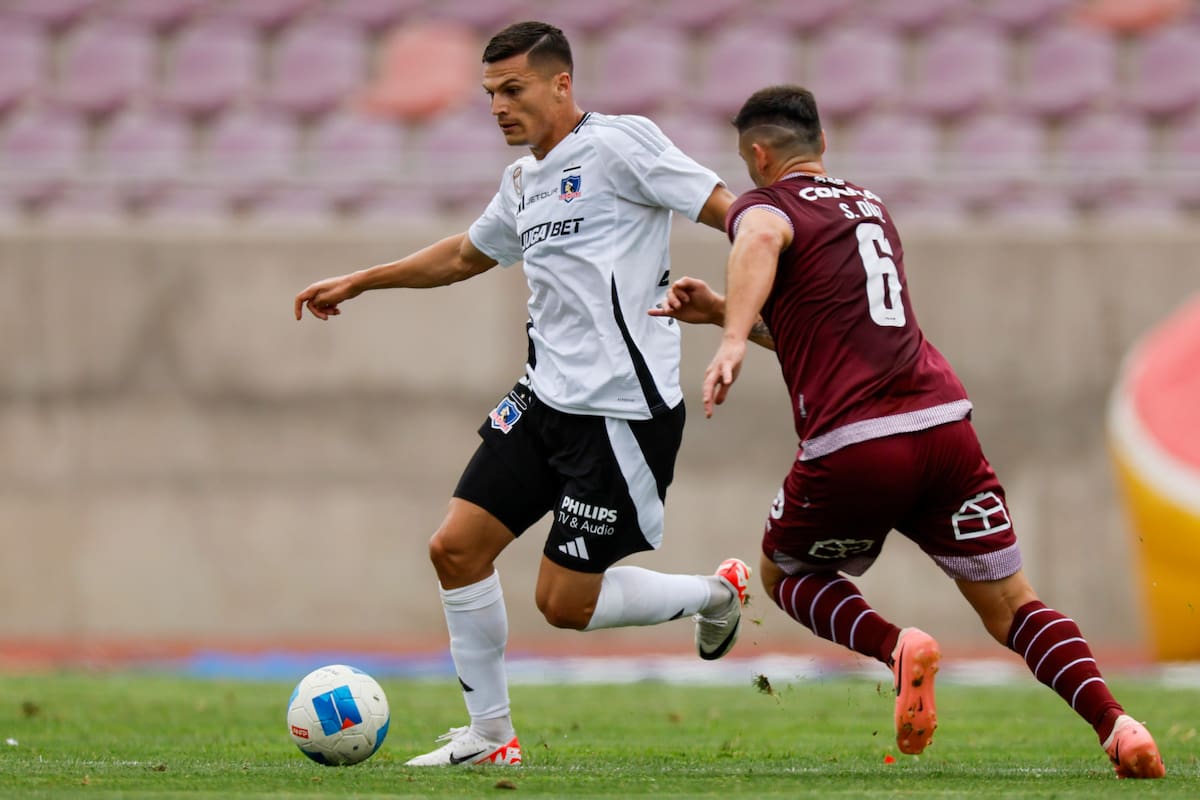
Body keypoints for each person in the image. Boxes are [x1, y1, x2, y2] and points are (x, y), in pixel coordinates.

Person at [650, 85, 1166, 779]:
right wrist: (721, 314)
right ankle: (1117, 724)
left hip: (856, 441)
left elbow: (760, 238)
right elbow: (822, 334)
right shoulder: (871, 207)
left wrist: (734, 335)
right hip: (944, 428)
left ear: (759, 155)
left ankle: (897, 647)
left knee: (784, 570)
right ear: (823, 145)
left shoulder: (766, 207)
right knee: (1012, 606)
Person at [293, 21, 750, 767]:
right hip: (543, 401)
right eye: (490, 94)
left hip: (620, 417)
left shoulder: (619, 145)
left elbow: (727, 208)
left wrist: (773, 270)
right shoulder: (524, 180)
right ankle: (490, 737)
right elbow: (466, 255)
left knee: (563, 606)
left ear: (561, 84)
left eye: (514, 90)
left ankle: (715, 595)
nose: (499, 107)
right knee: (455, 549)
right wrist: (363, 279)